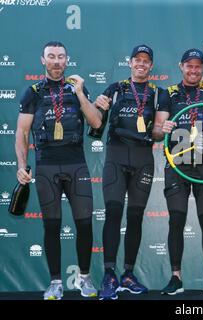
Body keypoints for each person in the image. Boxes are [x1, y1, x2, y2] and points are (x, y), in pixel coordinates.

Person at [15, 41, 102, 300]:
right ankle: (55, 283)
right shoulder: (32, 92)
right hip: (46, 167)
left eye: (60, 57)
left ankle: (84, 279)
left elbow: (96, 121)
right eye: (51, 57)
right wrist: (22, 165)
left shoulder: (77, 87)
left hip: (76, 164)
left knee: (85, 224)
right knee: (51, 226)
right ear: (43, 60)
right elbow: (21, 132)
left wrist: (80, 92)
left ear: (67, 60)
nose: (56, 61)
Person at [152, 48, 203, 295]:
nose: (193, 70)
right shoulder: (168, 93)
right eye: (189, 66)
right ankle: (176, 278)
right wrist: (165, 127)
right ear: (181, 67)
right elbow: (156, 131)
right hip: (176, 162)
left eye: (198, 66)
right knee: (176, 219)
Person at [94, 45, 161, 300]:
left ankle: (129, 275)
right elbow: (95, 122)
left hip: (144, 158)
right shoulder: (115, 88)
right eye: (137, 60)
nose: (141, 64)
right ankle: (109, 274)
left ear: (151, 65)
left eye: (146, 61)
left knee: (135, 217)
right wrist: (95, 103)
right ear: (130, 62)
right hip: (116, 156)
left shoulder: (158, 94)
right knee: (113, 212)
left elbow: (156, 133)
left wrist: (162, 129)